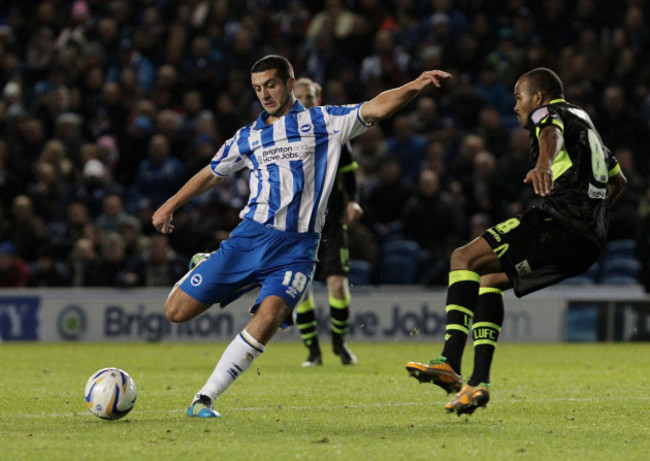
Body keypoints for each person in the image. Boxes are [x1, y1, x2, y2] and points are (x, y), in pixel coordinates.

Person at [152, 55, 451, 418]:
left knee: (270, 316)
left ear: (291, 83)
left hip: (297, 249)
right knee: (175, 313)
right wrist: (170, 204)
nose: (264, 94)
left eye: (271, 85)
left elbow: (376, 108)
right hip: (249, 238)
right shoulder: (247, 137)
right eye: (258, 88)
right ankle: (204, 262)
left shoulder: (323, 121)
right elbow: (212, 173)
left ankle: (204, 399)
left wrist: (416, 84)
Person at [405, 68, 627, 415]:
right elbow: (619, 182)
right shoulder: (586, 125)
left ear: (538, 96)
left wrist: (543, 164)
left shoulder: (549, 112)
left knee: (463, 258)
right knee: (489, 281)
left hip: (558, 223)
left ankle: (448, 360)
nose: (515, 106)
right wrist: (592, 215)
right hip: (588, 242)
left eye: (518, 97)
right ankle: (478, 383)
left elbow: (548, 131)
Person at [292, 77, 362, 367]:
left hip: (330, 221)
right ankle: (312, 351)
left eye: (308, 97)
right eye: (299, 98)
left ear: (318, 99)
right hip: (295, 225)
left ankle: (339, 344)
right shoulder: (282, 135)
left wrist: (352, 200)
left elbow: (348, 173)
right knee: (300, 288)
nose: (303, 103)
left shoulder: (332, 134)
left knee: (337, 285)